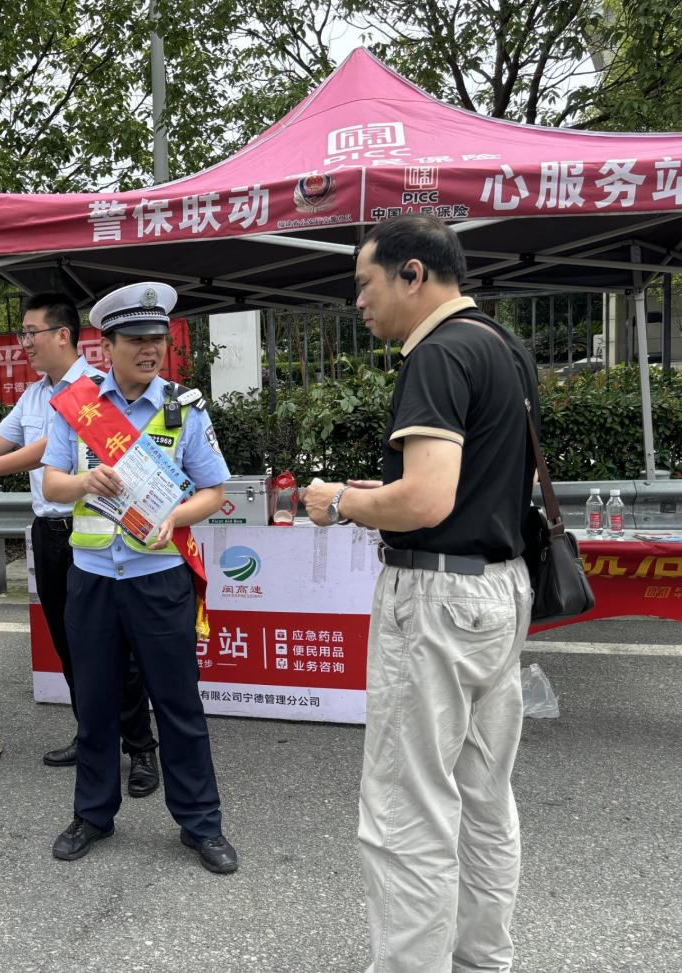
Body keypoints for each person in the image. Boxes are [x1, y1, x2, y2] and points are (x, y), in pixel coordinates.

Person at [304, 214, 537, 973]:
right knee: (484, 797)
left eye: (365, 284)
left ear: (412, 274)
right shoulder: (502, 345)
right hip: (500, 589)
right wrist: (386, 494)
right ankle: (481, 960)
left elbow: (428, 500)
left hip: (437, 597)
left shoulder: (436, 355)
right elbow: (480, 483)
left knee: (407, 809)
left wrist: (341, 500)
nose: (359, 303)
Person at [0, 293, 159, 797]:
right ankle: (93, 736)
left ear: (62, 335)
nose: (23, 342)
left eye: (31, 332)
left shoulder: (95, 388)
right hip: (48, 533)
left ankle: (140, 749)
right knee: (70, 643)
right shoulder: (33, 395)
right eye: (23, 334)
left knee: (115, 648)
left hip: (94, 535)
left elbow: (48, 449)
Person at [41, 282, 238, 874]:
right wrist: (84, 482)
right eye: (136, 340)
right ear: (107, 346)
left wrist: (177, 517)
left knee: (178, 705)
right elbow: (51, 484)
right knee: (95, 704)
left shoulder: (184, 408)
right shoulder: (76, 405)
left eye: (158, 339)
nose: (150, 349)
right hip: (93, 578)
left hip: (159, 578)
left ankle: (201, 824)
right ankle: (93, 814)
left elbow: (215, 490)